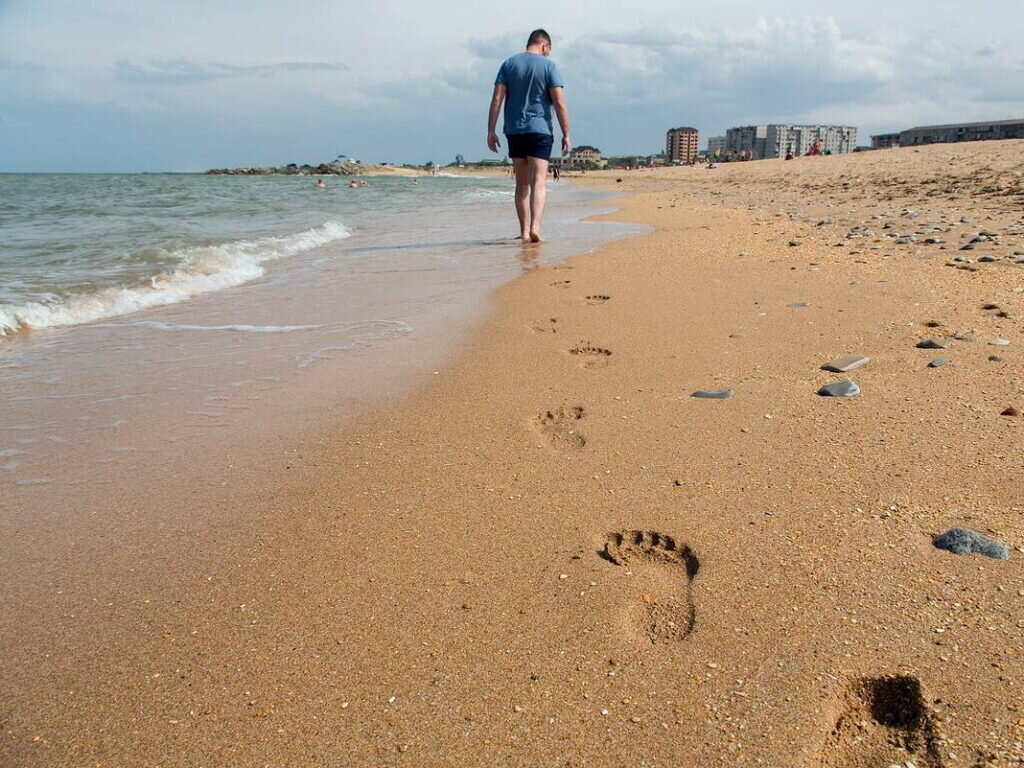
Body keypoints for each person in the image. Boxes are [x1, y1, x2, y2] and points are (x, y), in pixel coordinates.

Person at [487, 28, 570, 243]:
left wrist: (491, 130)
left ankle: (524, 232)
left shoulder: (508, 64)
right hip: (540, 130)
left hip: (514, 131)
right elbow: (559, 103)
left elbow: (497, 99)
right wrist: (566, 133)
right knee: (539, 181)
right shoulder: (549, 66)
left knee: (522, 184)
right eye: (547, 51)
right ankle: (535, 227)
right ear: (544, 46)